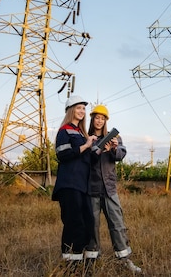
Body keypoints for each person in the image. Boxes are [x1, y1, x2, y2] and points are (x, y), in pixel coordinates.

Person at [87, 104, 142, 273]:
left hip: (109, 188)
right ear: (92, 119)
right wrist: (96, 149)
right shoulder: (87, 138)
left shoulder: (114, 137)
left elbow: (120, 156)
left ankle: (124, 260)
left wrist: (114, 148)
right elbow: (85, 161)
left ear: (106, 121)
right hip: (91, 188)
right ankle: (92, 261)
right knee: (92, 226)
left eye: (102, 118)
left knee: (117, 224)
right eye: (97, 117)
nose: (99, 121)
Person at [51, 95, 97, 267]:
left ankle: (83, 262)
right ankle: (70, 264)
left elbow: (88, 160)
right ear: (71, 110)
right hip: (69, 184)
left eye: (84, 109)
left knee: (87, 222)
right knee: (73, 222)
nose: (82, 111)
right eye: (78, 108)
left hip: (82, 186)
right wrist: (85, 145)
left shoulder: (81, 133)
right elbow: (62, 154)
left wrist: (100, 149)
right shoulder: (65, 130)